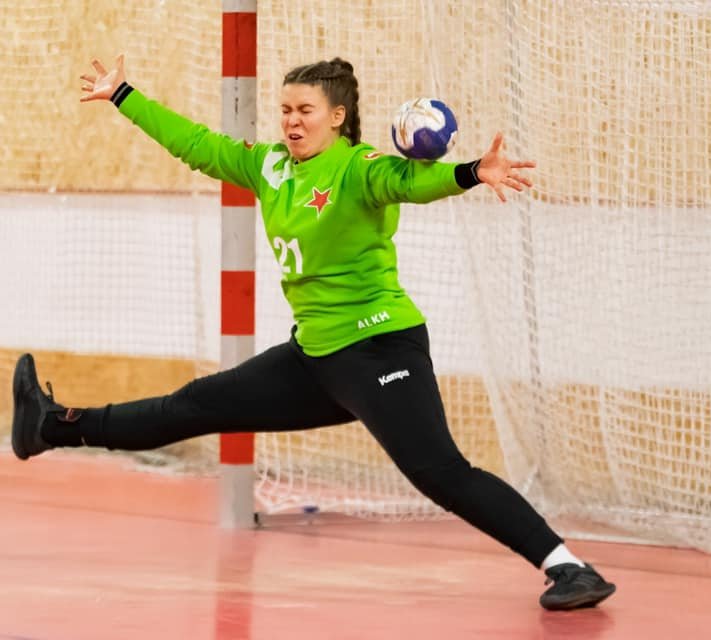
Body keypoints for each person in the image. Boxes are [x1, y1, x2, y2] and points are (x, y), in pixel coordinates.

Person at [10, 54, 616, 611]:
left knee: (440, 473)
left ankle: (569, 568)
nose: (291, 121)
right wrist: (124, 95)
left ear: (337, 116)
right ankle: (52, 425)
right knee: (195, 403)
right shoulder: (270, 166)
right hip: (315, 359)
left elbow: (411, 182)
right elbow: (195, 145)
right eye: (284, 110)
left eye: (304, 110)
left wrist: (470, 172)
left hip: (379, 349)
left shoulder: (358, 167)